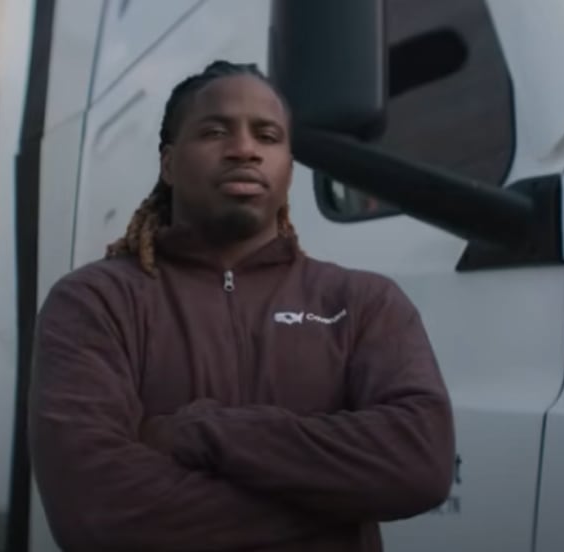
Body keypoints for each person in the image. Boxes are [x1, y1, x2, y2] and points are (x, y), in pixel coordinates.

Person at [29, 60, 456, 551]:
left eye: (267, 136)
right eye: (215, 131)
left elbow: (420, 461)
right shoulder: (96, 301)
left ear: (289, 168)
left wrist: (203, 432)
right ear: (168, 164)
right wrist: (337, 514)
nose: (244, 150)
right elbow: (96, 512)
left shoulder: (363, 302)